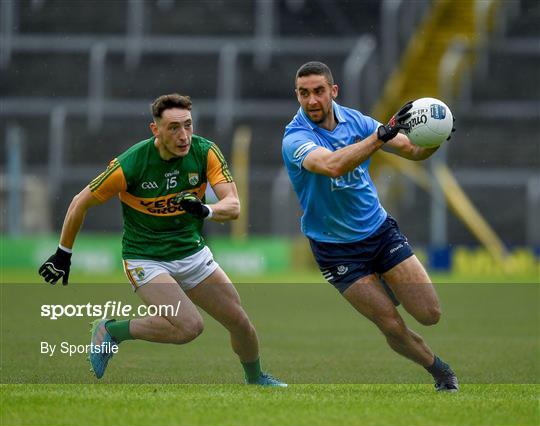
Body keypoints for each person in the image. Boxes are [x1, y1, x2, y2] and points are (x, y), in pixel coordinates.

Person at [39, 93, 286, 387]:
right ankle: (113, 331)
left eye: (188, 125)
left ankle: (256, 380)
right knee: (189, 327)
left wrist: (206, 210)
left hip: (191, 252)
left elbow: (233, 206)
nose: (183, 136)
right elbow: (80, 202)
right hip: (146, 257)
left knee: (240, 322)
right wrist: (63, 253)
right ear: (155, 130)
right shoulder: (131, 164)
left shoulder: (205, 152)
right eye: (173, 128)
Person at [282, 61, 458, 392]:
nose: (312, 100)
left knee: (430, 313)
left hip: (379, 232)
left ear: (333, 91)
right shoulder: (295, 137)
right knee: (391, 324)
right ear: (297, 95)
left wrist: (436, 136)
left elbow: (412, 149)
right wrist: (378, 137)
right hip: (336, 250)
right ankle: (439, 370)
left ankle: (383, 278)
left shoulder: (356, 120)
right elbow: (332, 166)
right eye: (304, 93)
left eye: (319, 91)